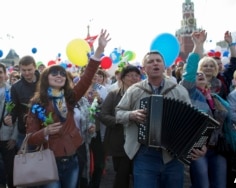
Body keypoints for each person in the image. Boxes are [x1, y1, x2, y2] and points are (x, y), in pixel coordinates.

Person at [25, 29, 111, 188]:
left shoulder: (70, 98)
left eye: (62, 74)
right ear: (46, 79)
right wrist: (44, 132)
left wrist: (99, 50)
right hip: (49, 161)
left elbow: (86, 78)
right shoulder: (37, 103)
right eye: (54, 73)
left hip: (72, 159)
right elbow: (30, 137)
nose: (59, 75)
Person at [115, 51, 204, 188]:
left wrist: (199, 145)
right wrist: (131, 115)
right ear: (144, 69)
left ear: (164, 66)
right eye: (150, 62)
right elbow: (118, 113)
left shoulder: (179, 90)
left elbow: (190, 121)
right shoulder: (134, 90)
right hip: (144, 154)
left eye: (158, 61)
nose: (155, 63)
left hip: (172, 155)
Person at [181, 30, 236, 188]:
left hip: (218, 149)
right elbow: (189, 72)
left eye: (202, 74)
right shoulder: (190, 93)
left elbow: (228, 126)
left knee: (220, 185)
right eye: (198, 74)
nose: (200, 75)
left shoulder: (218, 99)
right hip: (198, 150)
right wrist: (198, 46)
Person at [99, 65, 141, 188]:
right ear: (122, 78)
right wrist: (121, 119)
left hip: (139, 141)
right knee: (122, 175)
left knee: (139, 174)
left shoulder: (144, 94)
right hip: (119, 141)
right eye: (130, 75)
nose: (134, 78)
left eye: (136, 75)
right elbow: (103, 115)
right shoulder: (113, 95)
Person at [4, 55, 40, 151]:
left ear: (35, 67)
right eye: (23, 70)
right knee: (26, 164)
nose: (27, 73)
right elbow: (14, 109)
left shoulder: (44, 82)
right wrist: (9, 118)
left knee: (46, 163)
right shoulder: (16, 87)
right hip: (24, 133)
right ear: (19, 69)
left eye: (29, 69)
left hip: (44, 130)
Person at [0, 63, 18, 188]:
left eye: (0, 72)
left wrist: (14, 137)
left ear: (5, 74)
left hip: (7, 137)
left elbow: (18, 116)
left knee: (10, 169)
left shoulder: (12, 90)